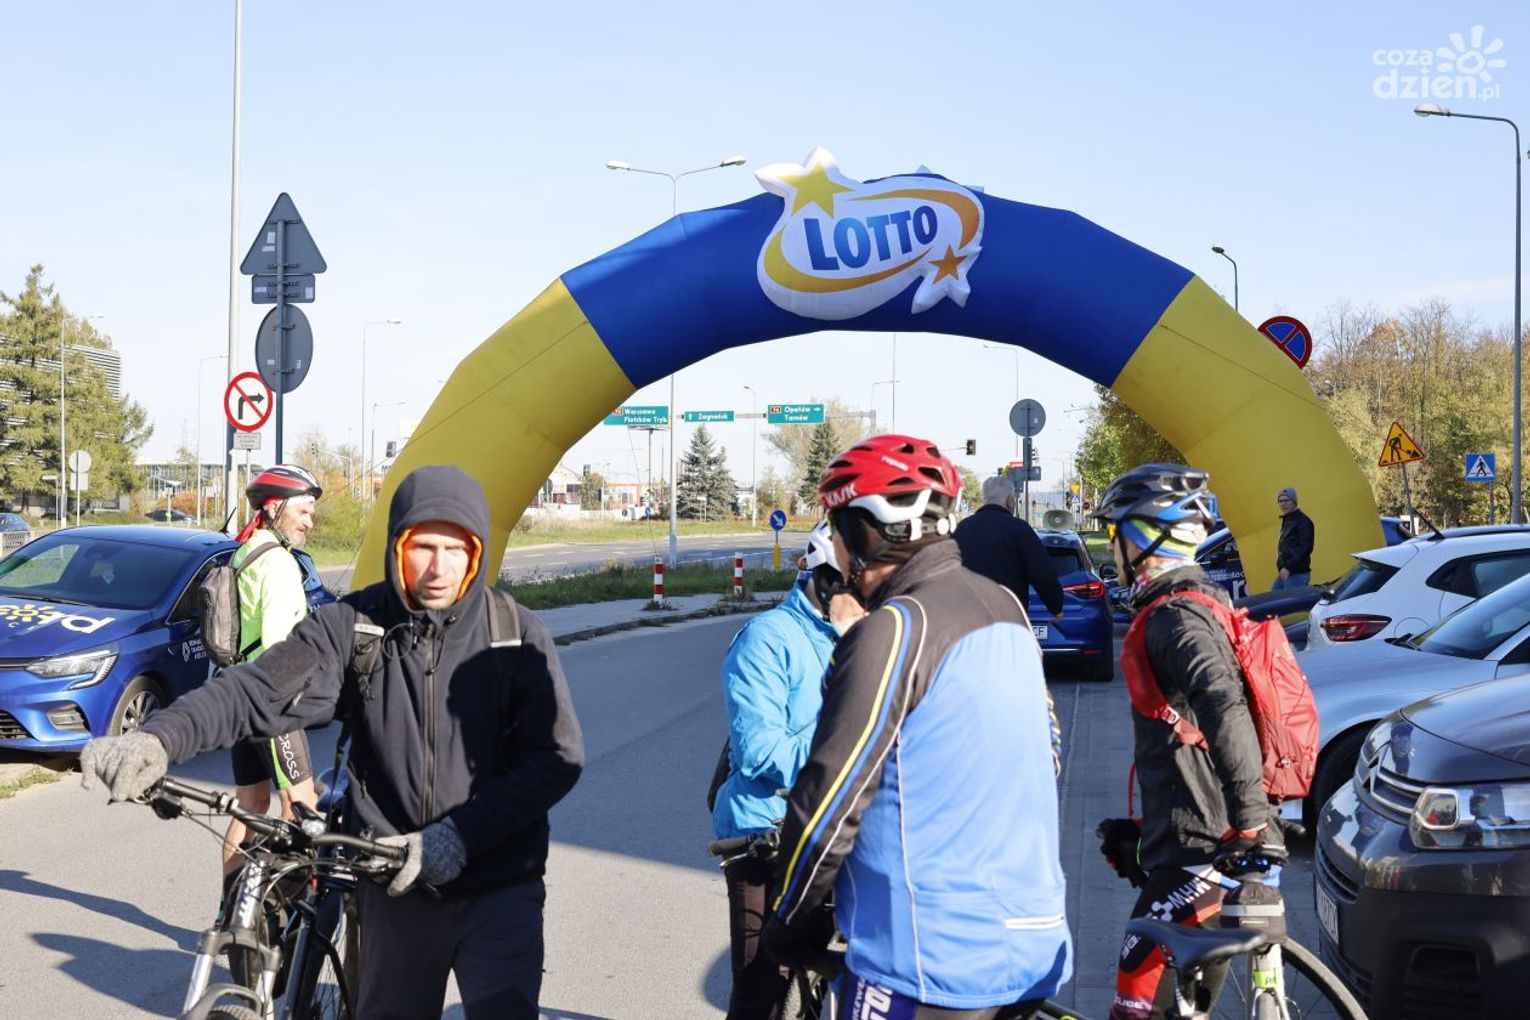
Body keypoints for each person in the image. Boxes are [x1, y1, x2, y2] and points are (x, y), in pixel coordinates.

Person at [81, 465, 585, 1019]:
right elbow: (257, 689)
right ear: (397, 546)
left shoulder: (514, 634)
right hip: (393, 886)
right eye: (423, 547)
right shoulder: (356, 626)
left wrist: (460, 837)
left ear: (477, 552)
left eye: (456, 548)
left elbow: (555, 759)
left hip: (499, 888)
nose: (439, 567)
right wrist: (158, 739)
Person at [764, 434, 1071, 1020]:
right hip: (1032, 942)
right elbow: (1048, 752)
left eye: (836, 529)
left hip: (926, 958)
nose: (833, 547)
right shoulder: (1005, 607)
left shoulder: (895, 630)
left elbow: (829, 804)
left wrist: (789, 918)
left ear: (866, 532)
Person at [1091, 464, 1283, 1020]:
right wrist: (1148, 836)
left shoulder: (1177, 618)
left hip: (1208, 844)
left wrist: (1249, 824)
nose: (1113, 546)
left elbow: (1223, 706)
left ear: (1144, 537)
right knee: (1182, 1005)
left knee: (1137, 982)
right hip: (1196, 838)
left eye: (1115, 531)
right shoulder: (1196, 603)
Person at [713, 521, 840, 1020]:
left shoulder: (861, 638)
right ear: (824, 578)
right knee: (763, 986)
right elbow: (759, 750)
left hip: (833, 830)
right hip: (765, 833)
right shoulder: (767, 638)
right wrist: (848, 745)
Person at [221, 465, 323, 880]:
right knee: (302, 806)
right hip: (272, 700)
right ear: (275, 507)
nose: (309, 522)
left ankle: (231, 906)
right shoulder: (278, 562)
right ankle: (290, 908)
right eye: (303, 511)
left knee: (250, 805)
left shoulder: (245, 551)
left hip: (240, 693)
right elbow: (280, 641)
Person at [954, 473, 1066, 622]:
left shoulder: (961, 529)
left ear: (984, 499)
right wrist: (1056, 607)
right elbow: (1041, 573)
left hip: (967, 619)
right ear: (1010, 500)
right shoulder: (1020, 529)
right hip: (1008, 619)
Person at [1273, 486, 1314, 590]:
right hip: (1286, 572)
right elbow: (1283, 548)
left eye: (1287, 500)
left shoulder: (1303, 521)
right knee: (1274, 595)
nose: (1283, 504)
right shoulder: (1287, 520)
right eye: (1280, 501)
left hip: (1297, 574)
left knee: (1286, 600)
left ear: (1294, 502)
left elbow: (1305, 548)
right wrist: (1281, 566)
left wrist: (1287, 567)